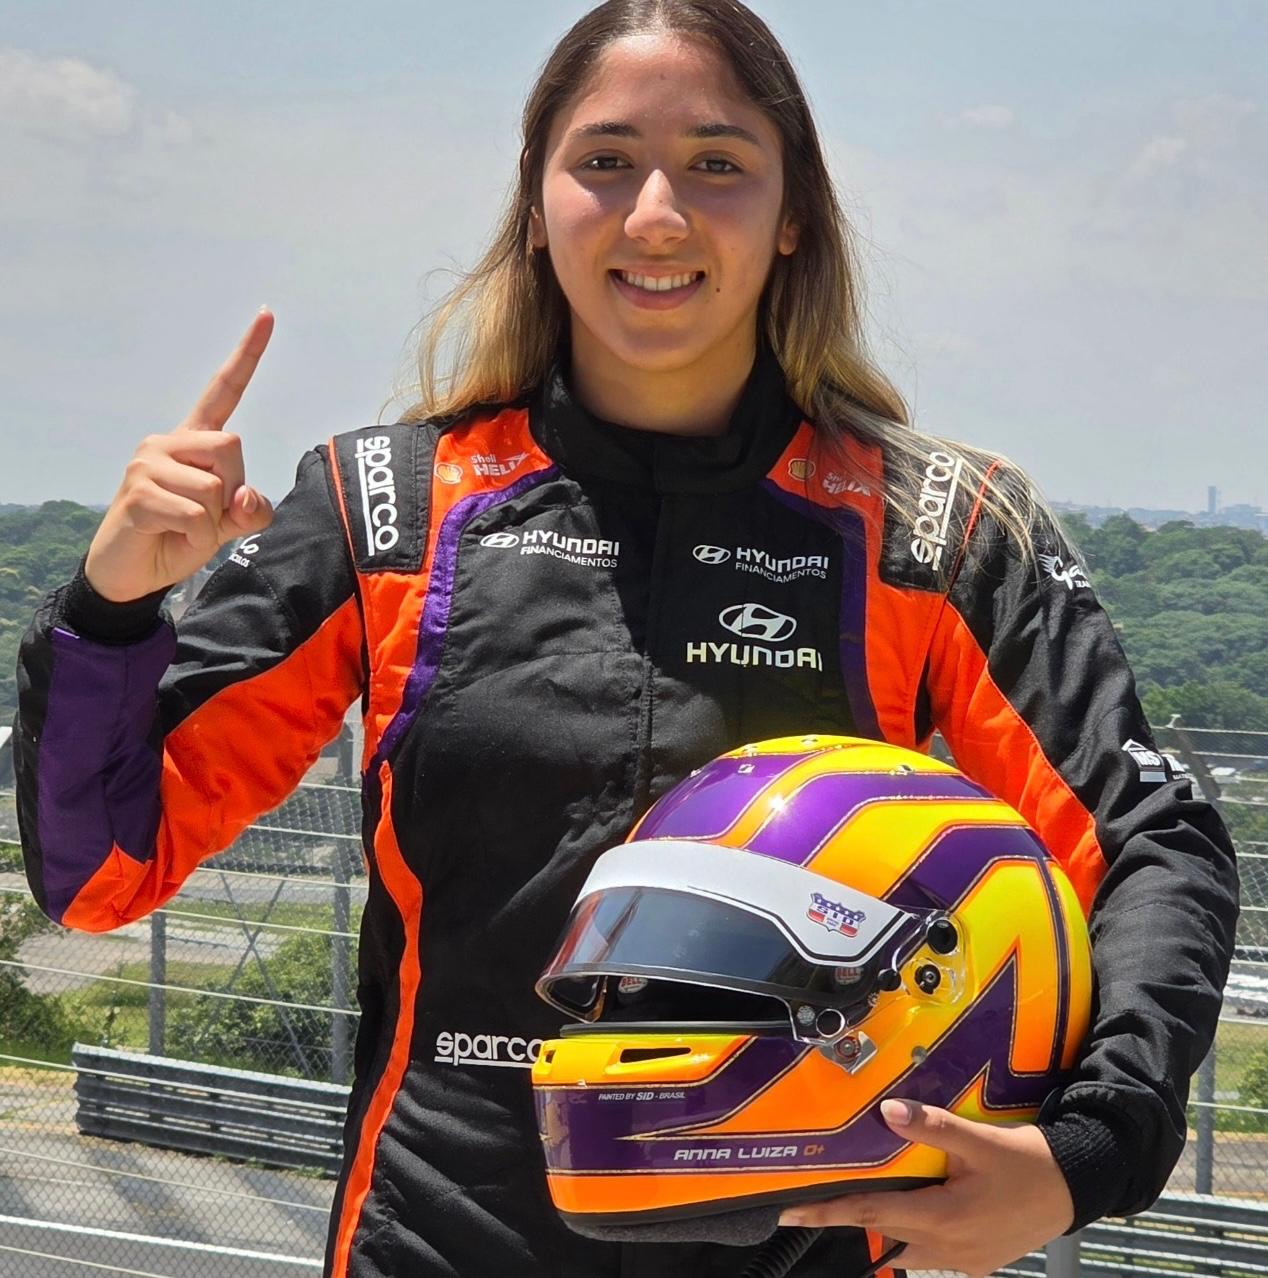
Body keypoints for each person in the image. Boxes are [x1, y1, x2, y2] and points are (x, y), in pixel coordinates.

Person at [11, 2, 1238, 1277]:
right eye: (604, 160)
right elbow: (101, 876)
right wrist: (110, 611)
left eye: (716, 161)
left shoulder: (932, 532)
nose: (656, 213)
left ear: (793, 213)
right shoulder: (388, 510)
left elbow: (1149, 842)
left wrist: (1088, 1151)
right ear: (536, 208)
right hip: (433, 1241)